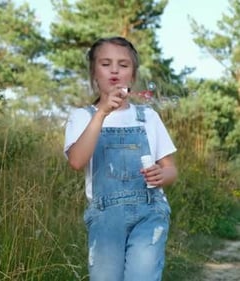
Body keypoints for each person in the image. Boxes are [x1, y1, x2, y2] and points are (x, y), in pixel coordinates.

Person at [63, 36, 178, 281]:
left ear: (133, 75)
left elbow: (171, 170)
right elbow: (76, 161)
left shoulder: (148, 116)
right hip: (105, 217)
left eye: (123, 65)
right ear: (94, 73)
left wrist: (162, 174)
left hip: (150, 211)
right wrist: (102, 113)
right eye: (106, 64)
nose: (115, 69)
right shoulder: (83, 117)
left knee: (143, 276)